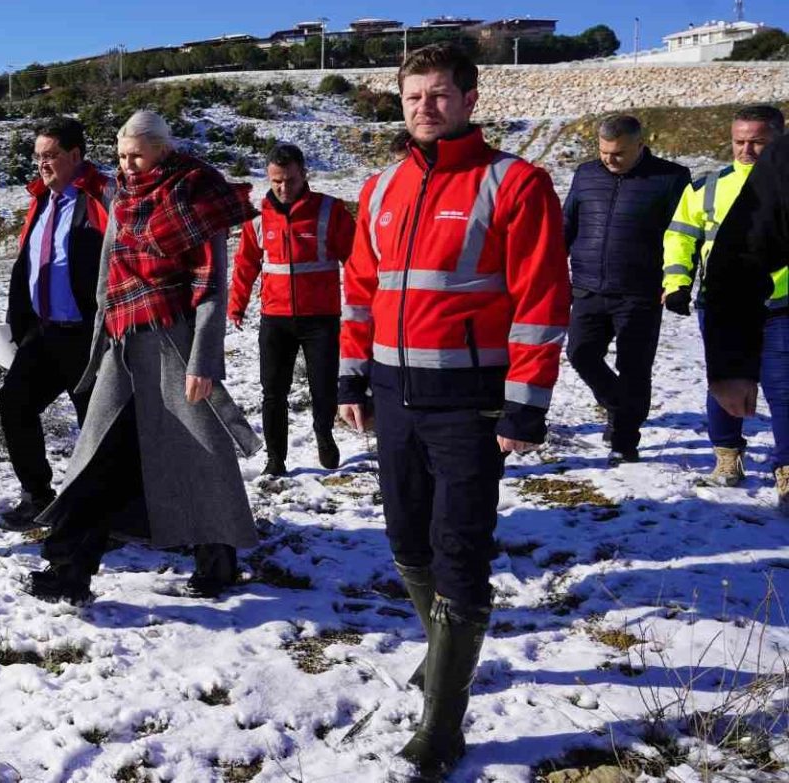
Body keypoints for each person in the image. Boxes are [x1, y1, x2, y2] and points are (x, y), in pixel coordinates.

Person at [338, 44, 570, 779]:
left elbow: (541, 299)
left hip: (470, 402)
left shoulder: (515, 182)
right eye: (413, 96)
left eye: (439, 94)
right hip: (393, 395)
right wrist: (350, 378)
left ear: (470, 99)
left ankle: (443, 722)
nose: (425, 108)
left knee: (459, 549)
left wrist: (525, 404)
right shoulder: (381, 188)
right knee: (407, 539)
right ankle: (444, 649)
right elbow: (361, 290)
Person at [28, 111, 259, 604]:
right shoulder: (124, 197)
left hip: (175, 344)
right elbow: (109, 270)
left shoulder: (196, 198)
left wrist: (204, 361)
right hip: (123, 342)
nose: (126, 165)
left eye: (135, 156)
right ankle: (69, 569)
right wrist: (102, 336)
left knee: (200, 455)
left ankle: (218, 560)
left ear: (162, 149)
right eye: (120, 157)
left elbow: (212, 287)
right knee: (98, 457)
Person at [0, 117, 113, 530]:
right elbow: (28, 262)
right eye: (38, 157)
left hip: (88, 337)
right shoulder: (41, 201)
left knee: (96, 427)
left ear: (75, 155)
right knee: (14, 404)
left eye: (51, 156)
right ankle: (37, 497)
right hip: (44, 334)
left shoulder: (101, 197)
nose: (42, 164)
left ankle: (101, 515)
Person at [563, 115, 689, 464]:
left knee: (634, 367)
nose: (609, 159)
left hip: (640, 292)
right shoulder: (586, 174)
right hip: (587, 287)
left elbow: (681, 234)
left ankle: (625, 440)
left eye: (618, 153)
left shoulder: (671, 178)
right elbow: (567, 222)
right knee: (580, 353)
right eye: (603, 152)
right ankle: (619, 406)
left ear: (640, 145)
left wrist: (677, 282)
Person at [228, 142, 356, 475]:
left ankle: (324, 434)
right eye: (276, 181)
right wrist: (236, 305)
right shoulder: (257, 217)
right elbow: (245, 264)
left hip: (321, 318)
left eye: (291, 180)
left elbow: (357, 262)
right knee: (273, 392)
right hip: (276, 318)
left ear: (304, 175)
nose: (284, 188)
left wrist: (365, 307)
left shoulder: (330, 210)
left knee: (323, 387)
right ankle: (276, 459)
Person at [681, 105, 789, 497]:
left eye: (757, 142)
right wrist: (676, 282)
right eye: (739, 141)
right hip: (728, 302)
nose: (747, 150)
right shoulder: (709, 186)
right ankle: (727, 455)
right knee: (726, 386)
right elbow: (683, 237)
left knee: (783, 389)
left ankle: (786, 468)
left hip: (782, 304)